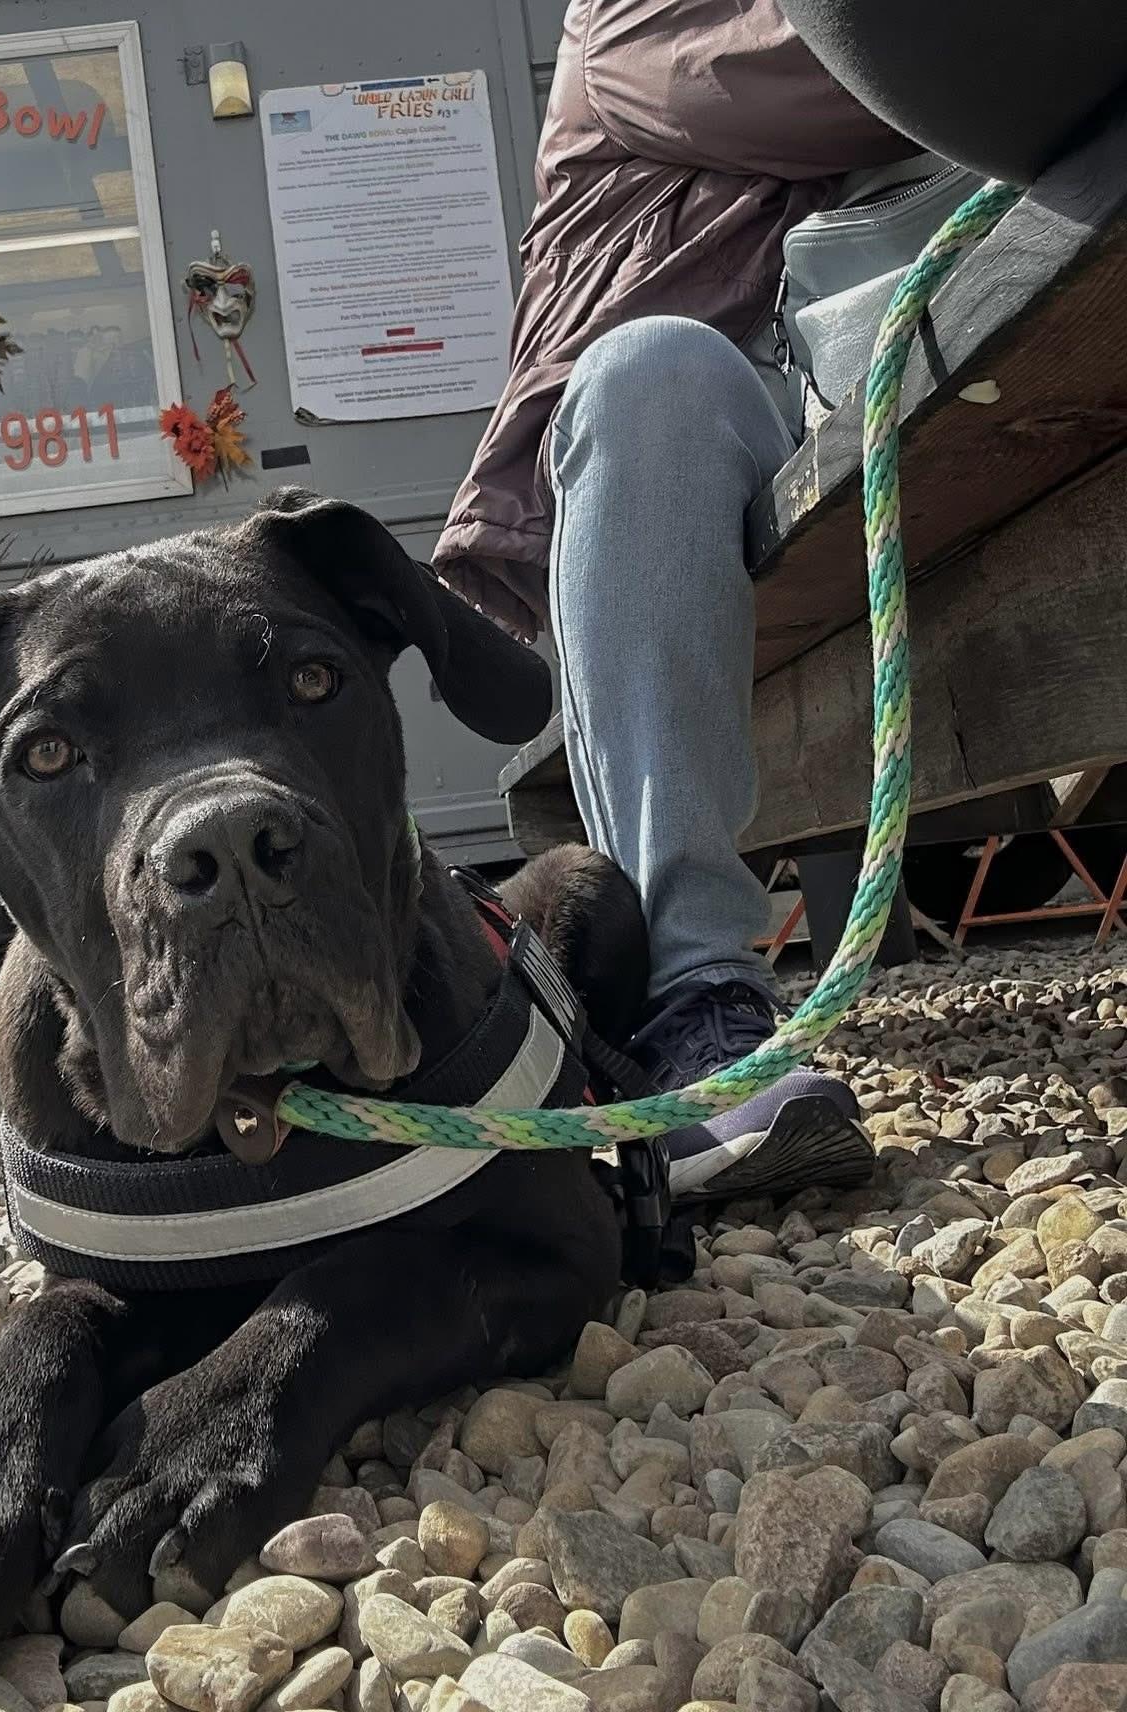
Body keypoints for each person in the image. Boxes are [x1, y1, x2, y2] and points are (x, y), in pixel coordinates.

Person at [433, 0, 912, 1198]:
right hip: (719, 414)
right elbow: (885, 66)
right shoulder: (632, 23)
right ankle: (698, 1008)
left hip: (903, 331)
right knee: (649, 369)